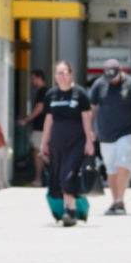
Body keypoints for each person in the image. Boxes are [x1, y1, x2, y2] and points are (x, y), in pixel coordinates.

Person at [89, 59, 131, 215]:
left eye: (115, 77)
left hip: (127, 132)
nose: (113, 80)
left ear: (121, 70)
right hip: (105, 133)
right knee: (110, 168)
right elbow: (91, 110)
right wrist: (89, 130)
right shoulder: (99, 84)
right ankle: (114, 200)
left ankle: (120, 201)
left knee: (122, 163)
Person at [40, 61, 94, 226]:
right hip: (57, 141)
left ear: (71, 74)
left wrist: (89, 141)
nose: (61, 76)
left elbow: (86, 117)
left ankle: (68, 210)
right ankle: (70, 211)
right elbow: (48, 119)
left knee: (68, 173)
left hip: (76, 140)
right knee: (58, 174)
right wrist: (44, 142)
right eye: (58, 73)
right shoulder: (51, 94)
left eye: (64, 72)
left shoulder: (80, 93)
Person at [17, 69, 49, 187]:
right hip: (42, 127)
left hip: (40, 128)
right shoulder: (45, 91)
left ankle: (38, 180)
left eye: (32, 78)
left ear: (38, 77)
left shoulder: (42, 91)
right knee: (41, 152)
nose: (31, 81)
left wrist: (26, 120)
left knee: (38, 153)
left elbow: (39, 108)